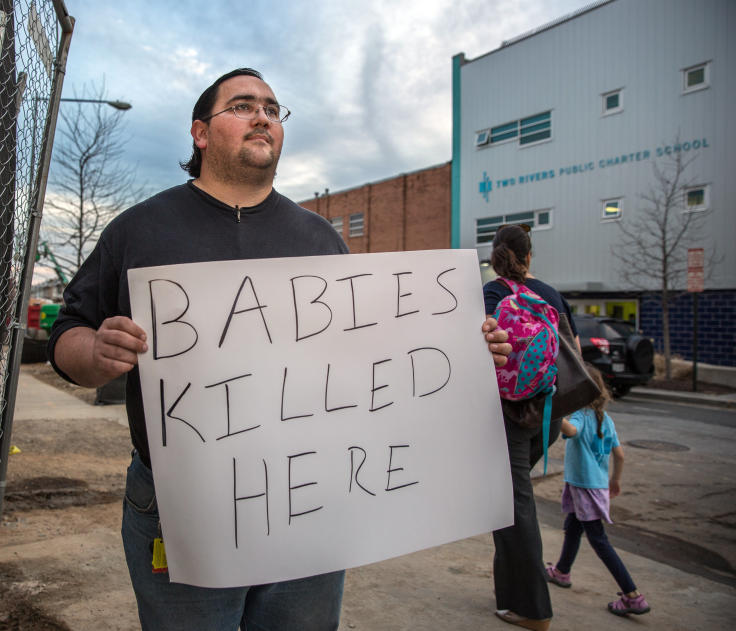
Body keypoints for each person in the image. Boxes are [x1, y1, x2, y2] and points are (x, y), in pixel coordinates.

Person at [48, 67, 513, 631]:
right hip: (182, 505)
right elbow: (67, 334)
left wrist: (462, 346)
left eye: (272, 107)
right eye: (242, 105)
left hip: (312, 497)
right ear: (200, 133)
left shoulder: (319, 240)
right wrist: (95, 353)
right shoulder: (139, 230)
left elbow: (375, 355)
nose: (263, 115)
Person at [483, 223, 576, 631]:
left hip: (510, 415)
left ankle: (533, 609)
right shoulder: (551, 294)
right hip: (549, 416)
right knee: (503, 502)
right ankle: (511, 597)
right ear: (530, 255)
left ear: (494, 255)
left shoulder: (494, 293)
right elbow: (573, 357)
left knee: (512, 507)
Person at [544, 366, 651, 617]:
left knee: (598, 539)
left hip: (584, 487)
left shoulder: (581, 415)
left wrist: (550, 407)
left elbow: (571, 431)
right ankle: (562, 571)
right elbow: (620, 455)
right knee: (573, 527)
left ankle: (632, 595)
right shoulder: (606, 419)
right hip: (598, 486)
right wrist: (615, 480)